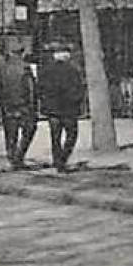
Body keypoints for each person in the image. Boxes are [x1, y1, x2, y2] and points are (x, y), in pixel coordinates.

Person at [36, 43, 86, 173]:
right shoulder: (73, 70)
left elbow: (40, 88)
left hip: (53, 110)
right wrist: (77, 102)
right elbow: (79, 88)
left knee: (55, 137)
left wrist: (45, 103)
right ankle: (63, 159)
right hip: (68, 109)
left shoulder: (46, 71)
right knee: (72, 135)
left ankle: (57, 161)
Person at [0, 42, 36, 170]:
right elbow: (31, 89)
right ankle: (19, 156)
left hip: (8, 106)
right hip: (24, 105)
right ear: (21, 53)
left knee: (10, 134)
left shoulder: (3, 68)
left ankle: (12, 158)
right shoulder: (25, 68)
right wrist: (33, 106)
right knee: (29, 130)